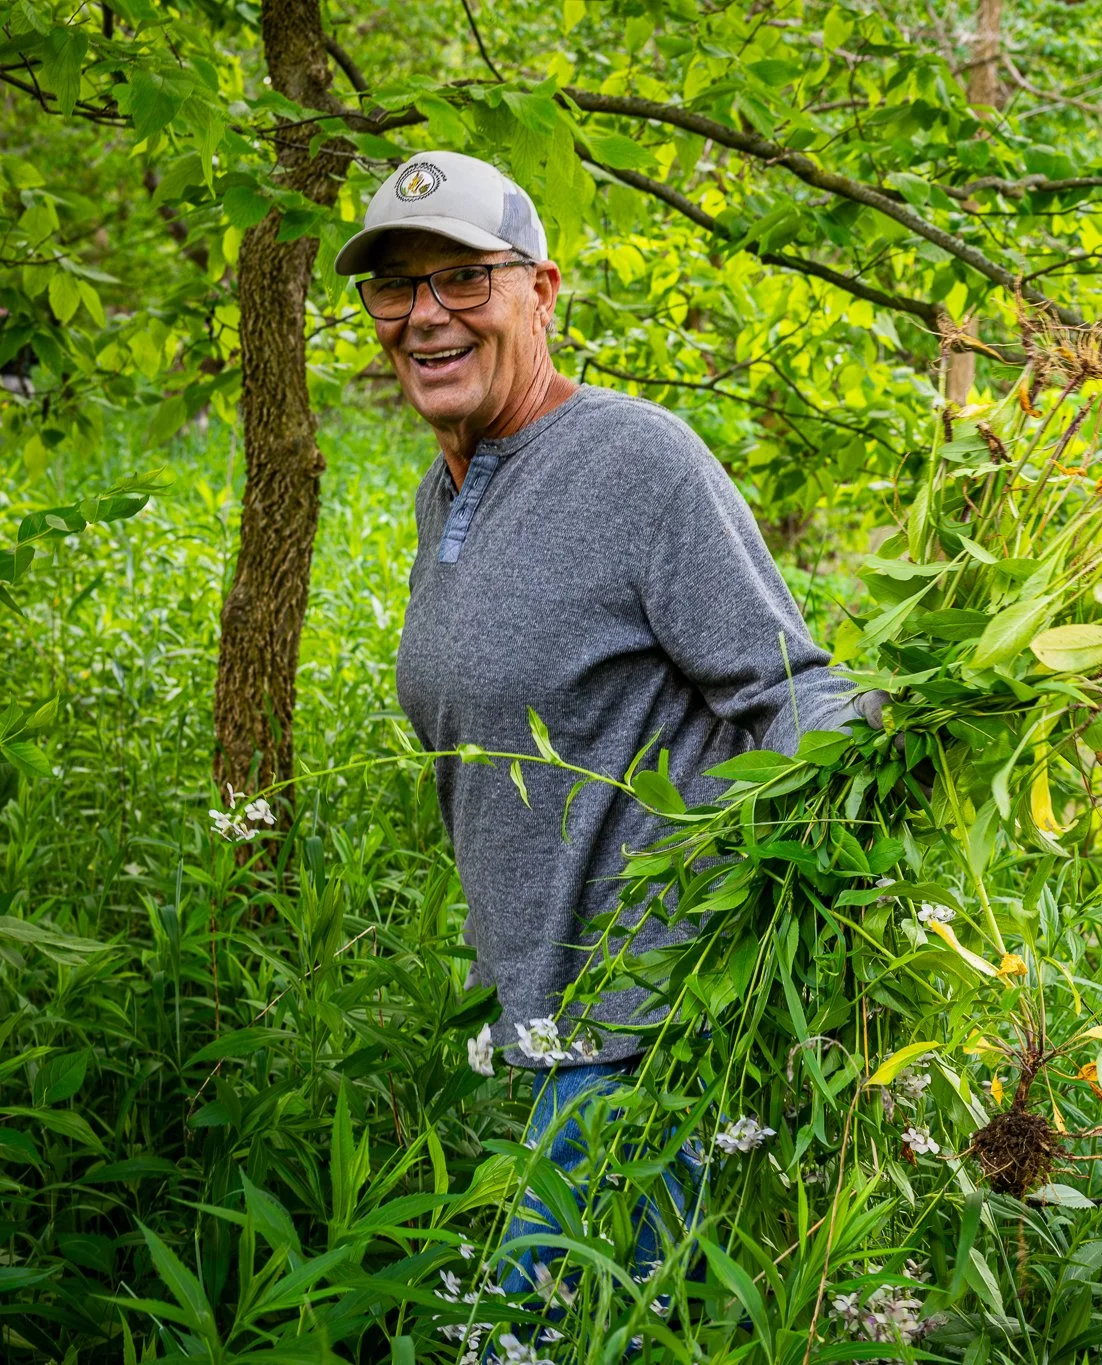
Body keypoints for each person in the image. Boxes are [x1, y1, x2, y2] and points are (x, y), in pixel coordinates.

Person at [335, 150, 855, 1301]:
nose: (424, 317)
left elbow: (786, 688)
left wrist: (887, 762)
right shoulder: (446, 489)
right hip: (541, 1020)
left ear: (542, 291)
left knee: (538, 1330)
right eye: (395, 287)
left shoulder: (638, 461)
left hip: (643, 1024)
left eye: (464, 279)